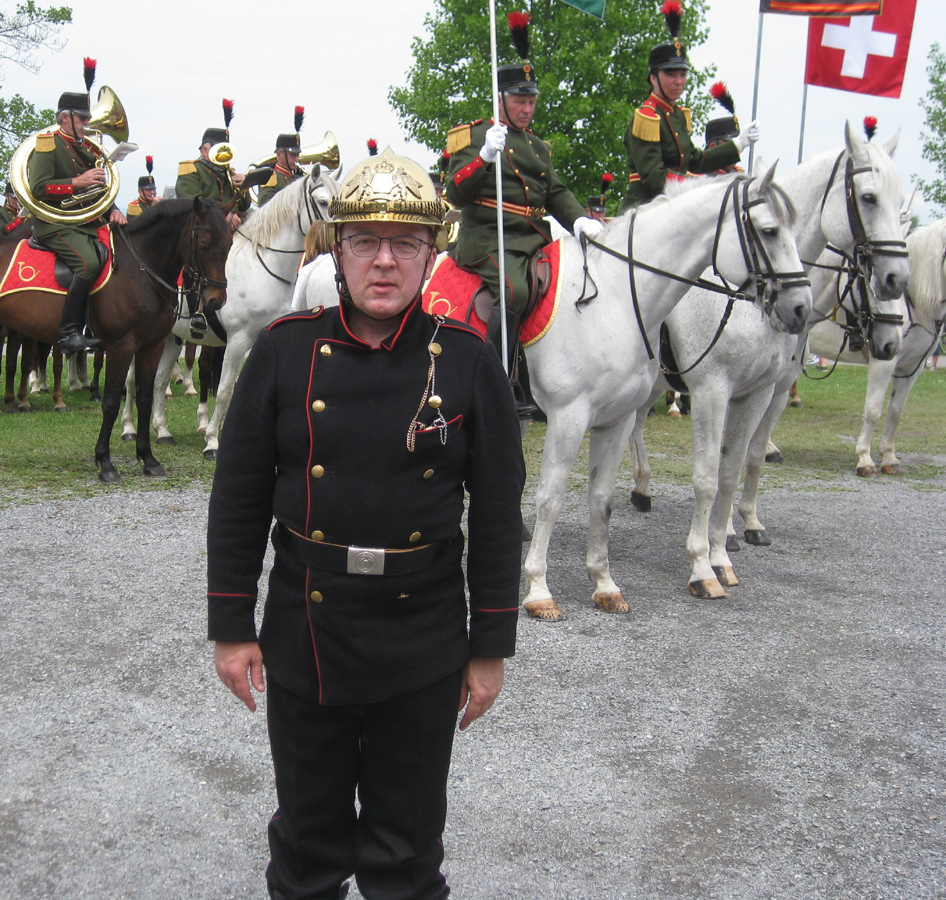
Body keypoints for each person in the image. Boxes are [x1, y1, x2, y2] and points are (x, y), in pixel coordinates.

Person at [208, 146, 525, 900]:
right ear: (338, 249)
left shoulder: (469, 360)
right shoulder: (285, 353)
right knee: (307, 848)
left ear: (429, 253)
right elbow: (240, 496)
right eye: (365, 242)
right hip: (306, 629)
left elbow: (498, 517)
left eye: (405, 244)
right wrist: (231, 626)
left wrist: (491, 649)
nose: (384, 262)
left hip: (423, 639)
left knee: (406, 854)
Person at [446, 12, 602, 369]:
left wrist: (578, 219)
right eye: (519, 101)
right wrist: (485, 155)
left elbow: (555, 192)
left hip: (533, 238)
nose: (527, 109)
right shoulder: (472, 135)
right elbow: (456, 192)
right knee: (513, 290)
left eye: (531, 101)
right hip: (489, 238)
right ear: (500, 99)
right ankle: (497, 375)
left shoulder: (538, 147)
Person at [26, 58, 127, 353]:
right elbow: (37, 188)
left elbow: (98, 190)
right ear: (65, 117)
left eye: (87, 118)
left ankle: (94, 324)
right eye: (82, 119)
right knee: (89, 263)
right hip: (55, 223)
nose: (87, 123)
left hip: (84, 221)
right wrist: (77, 183)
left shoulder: (86, 147)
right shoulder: (48, 143)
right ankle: (69, 332)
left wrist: (114, 210)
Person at [623, 2, 758, 210]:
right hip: (645, 208)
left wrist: (738, 145)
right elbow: (653, 176)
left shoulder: (677, 115)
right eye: (670, 74)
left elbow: (696, 162)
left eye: (682, 74)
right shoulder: (647, 117)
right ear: (653, 78)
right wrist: (700, 185)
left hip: (677, 205)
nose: (678, 81)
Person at [175, 101, 251, 222]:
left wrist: (244, 188)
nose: (223, 155)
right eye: (219, 150)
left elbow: (243, 206)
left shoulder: (228, 172)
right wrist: (222, 216)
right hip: (204, 230)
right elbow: (193, 205)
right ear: (205, 150)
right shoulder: (192, 169)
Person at [257, 107, 305, 207]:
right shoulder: (270, 176)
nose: (297, 159)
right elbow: (265, 202)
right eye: (293, 155)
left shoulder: (298, 176)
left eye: (297, 155)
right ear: (279, 154)